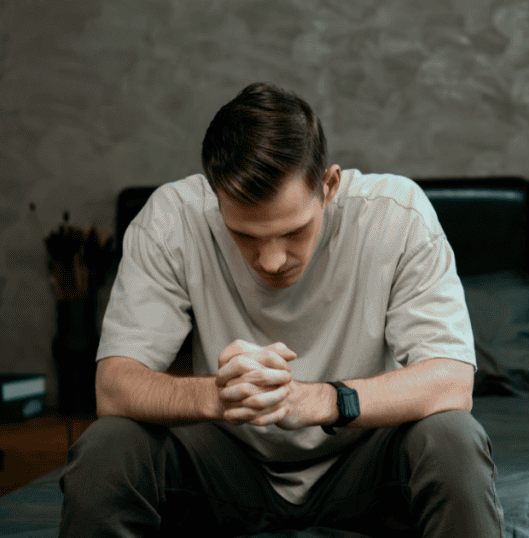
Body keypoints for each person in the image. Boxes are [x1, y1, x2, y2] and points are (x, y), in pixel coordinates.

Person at [59, 82, 504, 537]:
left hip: (364, 468)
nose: (271, 261)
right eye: (245, 236)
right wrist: (218, 396)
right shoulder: (172, 219)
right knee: (107, 445)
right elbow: (113, 388)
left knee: (453, 438)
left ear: (328, 186)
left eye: (294, 231)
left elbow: (451, 381)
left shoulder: (397, 214)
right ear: (215, 196)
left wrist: (317, 400)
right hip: (224, 470)